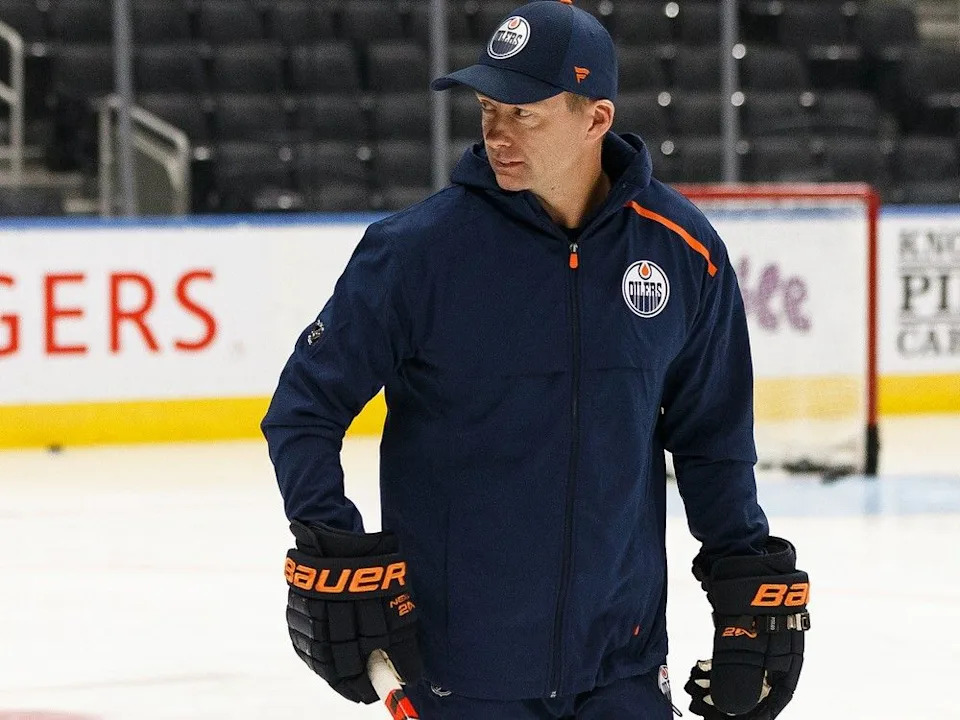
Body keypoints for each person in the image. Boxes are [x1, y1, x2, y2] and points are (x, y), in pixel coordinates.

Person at [262, 1, 810, 718]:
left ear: (596, 119)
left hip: (624, 663)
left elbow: (713, 441)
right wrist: (331, 541)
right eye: (489, 107)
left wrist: (743, 575)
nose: (498, 133)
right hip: (460, 672)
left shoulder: (684, 253)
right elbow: (305, 409)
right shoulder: (417, 254)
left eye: (526, 113)